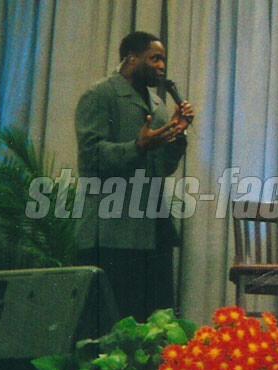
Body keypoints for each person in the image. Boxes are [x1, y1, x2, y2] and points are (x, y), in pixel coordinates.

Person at [74, 31, 193, 322]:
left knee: (157, 325)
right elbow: (90, 158)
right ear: (131, 59)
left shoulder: (157, 104)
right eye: (155, 58)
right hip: (113, 230)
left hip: (153, 229)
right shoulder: (100, 95)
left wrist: (177, 136)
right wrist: (137, 146)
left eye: (163, 60)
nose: (162, 66)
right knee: (115, 324)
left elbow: (162, 167)